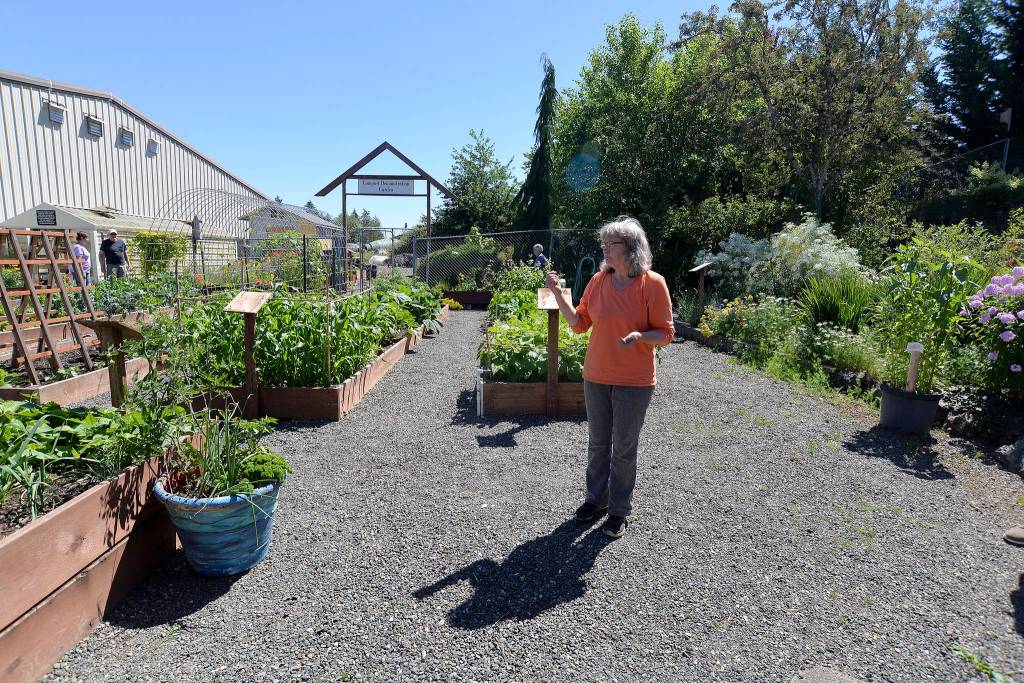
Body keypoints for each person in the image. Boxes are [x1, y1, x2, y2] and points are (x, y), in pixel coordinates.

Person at [546, 216, 673, 539]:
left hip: (635, 380)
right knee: (598, 443)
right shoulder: (598, 281)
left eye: (610, 243)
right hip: (597, 375)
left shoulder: (652, 284)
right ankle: (596, 500)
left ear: (631, 248)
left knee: (624, 449)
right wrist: (560, 296)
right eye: (603, 242)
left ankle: (618, 510)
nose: (604, 248)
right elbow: (579, 323)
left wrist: (641, 337)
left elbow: (666, 333)